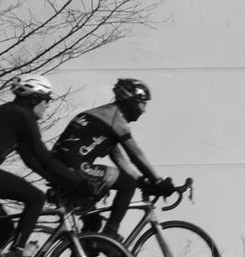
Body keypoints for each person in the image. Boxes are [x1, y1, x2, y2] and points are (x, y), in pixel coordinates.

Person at [0, 74, 97, 257]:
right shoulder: (23, 116)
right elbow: (45, 157)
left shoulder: (6, 114)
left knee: (4, 230)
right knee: (35, 198)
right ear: (34, 99)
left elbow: (33, 162)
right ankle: (16, 254)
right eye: (46, 100)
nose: (47, 105)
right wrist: (79, 182)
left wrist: (62, 182)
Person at [50, 77, 169, 241]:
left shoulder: (102, 115)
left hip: (58, 167)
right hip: (76, 168)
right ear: (132, 102)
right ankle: (110, 234)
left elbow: (119, 158)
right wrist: (157, 180)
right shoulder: (115, 117)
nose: (144, 110)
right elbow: (135, 154)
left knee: (92, 223)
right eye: (143, 103)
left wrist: (141, 180)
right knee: (127, 184)